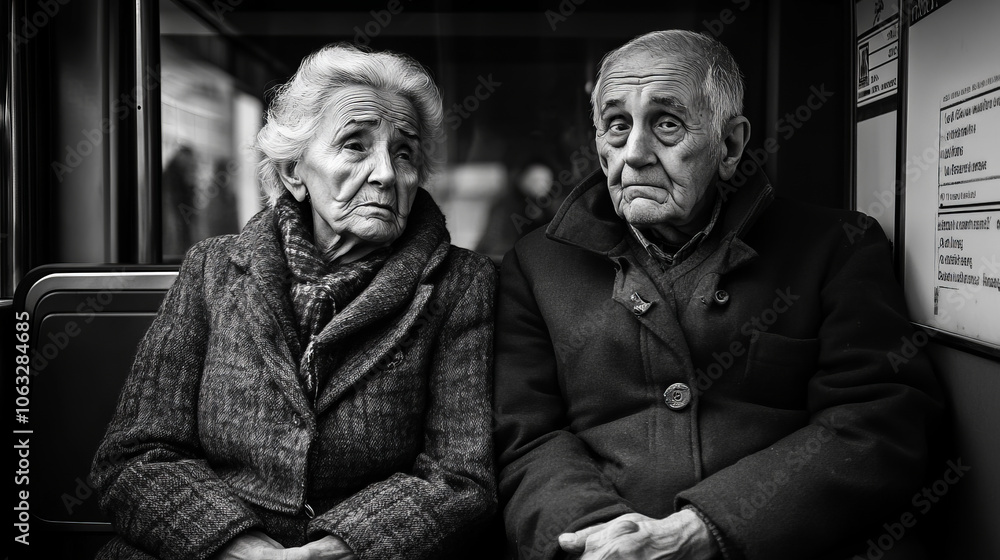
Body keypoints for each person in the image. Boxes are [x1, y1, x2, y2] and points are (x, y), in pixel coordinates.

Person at [494, 30, 943, 560]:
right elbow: (526, 438)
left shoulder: (837, 246)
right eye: (617, 126)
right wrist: (602, 538)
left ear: (729, 144)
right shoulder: (537, 264)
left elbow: (880, 420)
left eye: (666, 124)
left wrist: (706, 530)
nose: (634, 153)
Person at [91, 44, 496, 560]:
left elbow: (458, 478)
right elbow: (136, 455)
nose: (387, 174)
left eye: (405, 152)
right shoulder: (212, 270)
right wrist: (244, 548)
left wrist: (328, 552)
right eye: (355, 145)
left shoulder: (461, 284)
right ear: (292, 173)